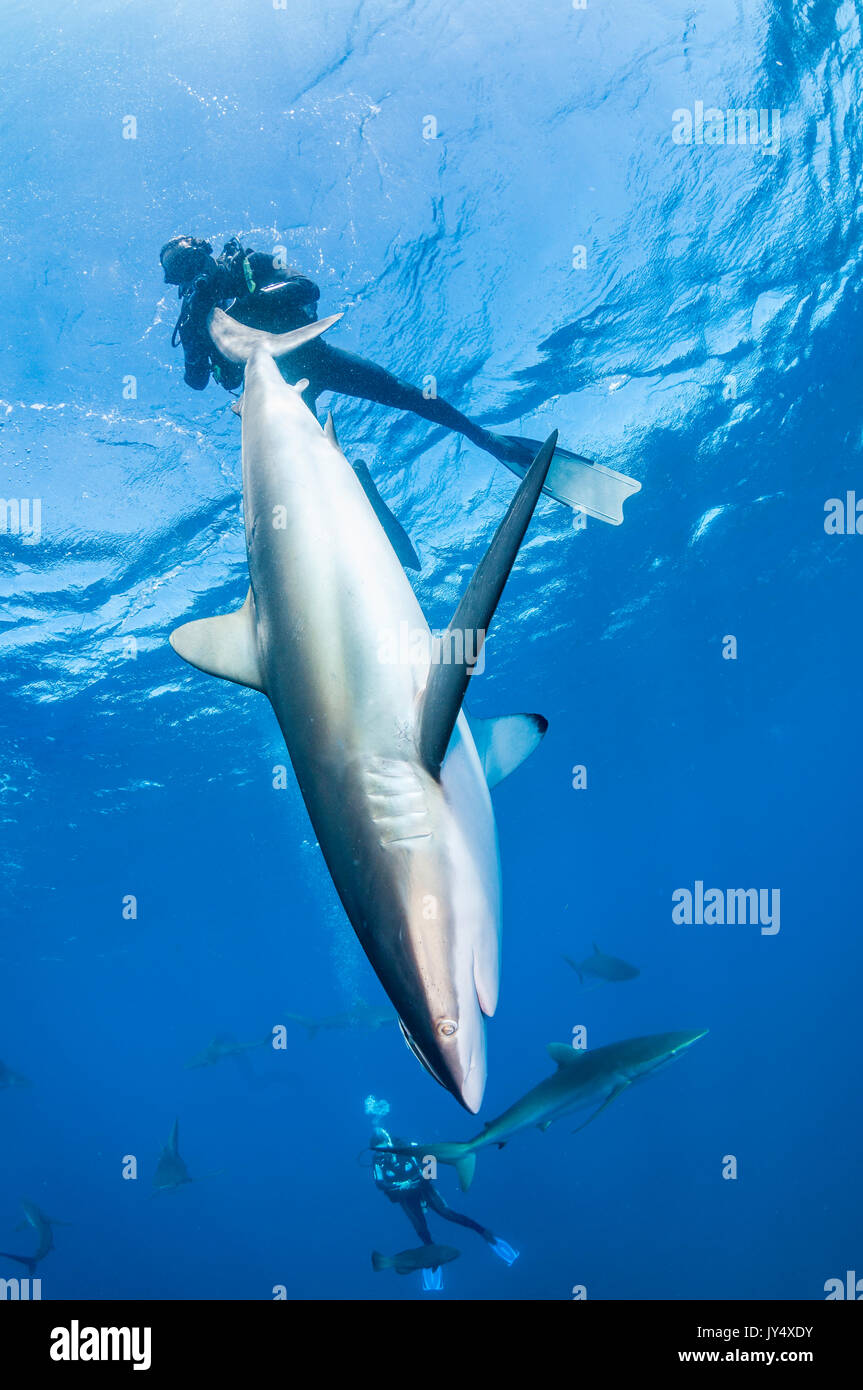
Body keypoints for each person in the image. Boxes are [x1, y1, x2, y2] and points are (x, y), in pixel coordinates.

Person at [159, 234, 532, 469]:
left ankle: (483, 438)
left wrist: (249, 300)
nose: (195, 272)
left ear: (208, 252)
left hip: (315, 357)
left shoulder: (251, 264)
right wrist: (193, 336)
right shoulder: (194, 318)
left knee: (405, 394)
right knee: (304, 467)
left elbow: (307, 288)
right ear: (177, 282)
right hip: (277, 391)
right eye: (183, 272)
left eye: (194, 260)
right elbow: (196, 381)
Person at [370, 1125, 518, 1290]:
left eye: (386, 1150)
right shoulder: (378, 1161)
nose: (385, 1155)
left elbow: (430, 1158)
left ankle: (485, 1233)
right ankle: (431, 1255)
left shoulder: (408, 1147)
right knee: (419, 1226)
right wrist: (398, 1187)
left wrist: (419, 1180)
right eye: (380, 1152)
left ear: (390, 1143)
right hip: (405, 1197)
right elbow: (380, 1184)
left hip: (423, 1188)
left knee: (447, 1213)